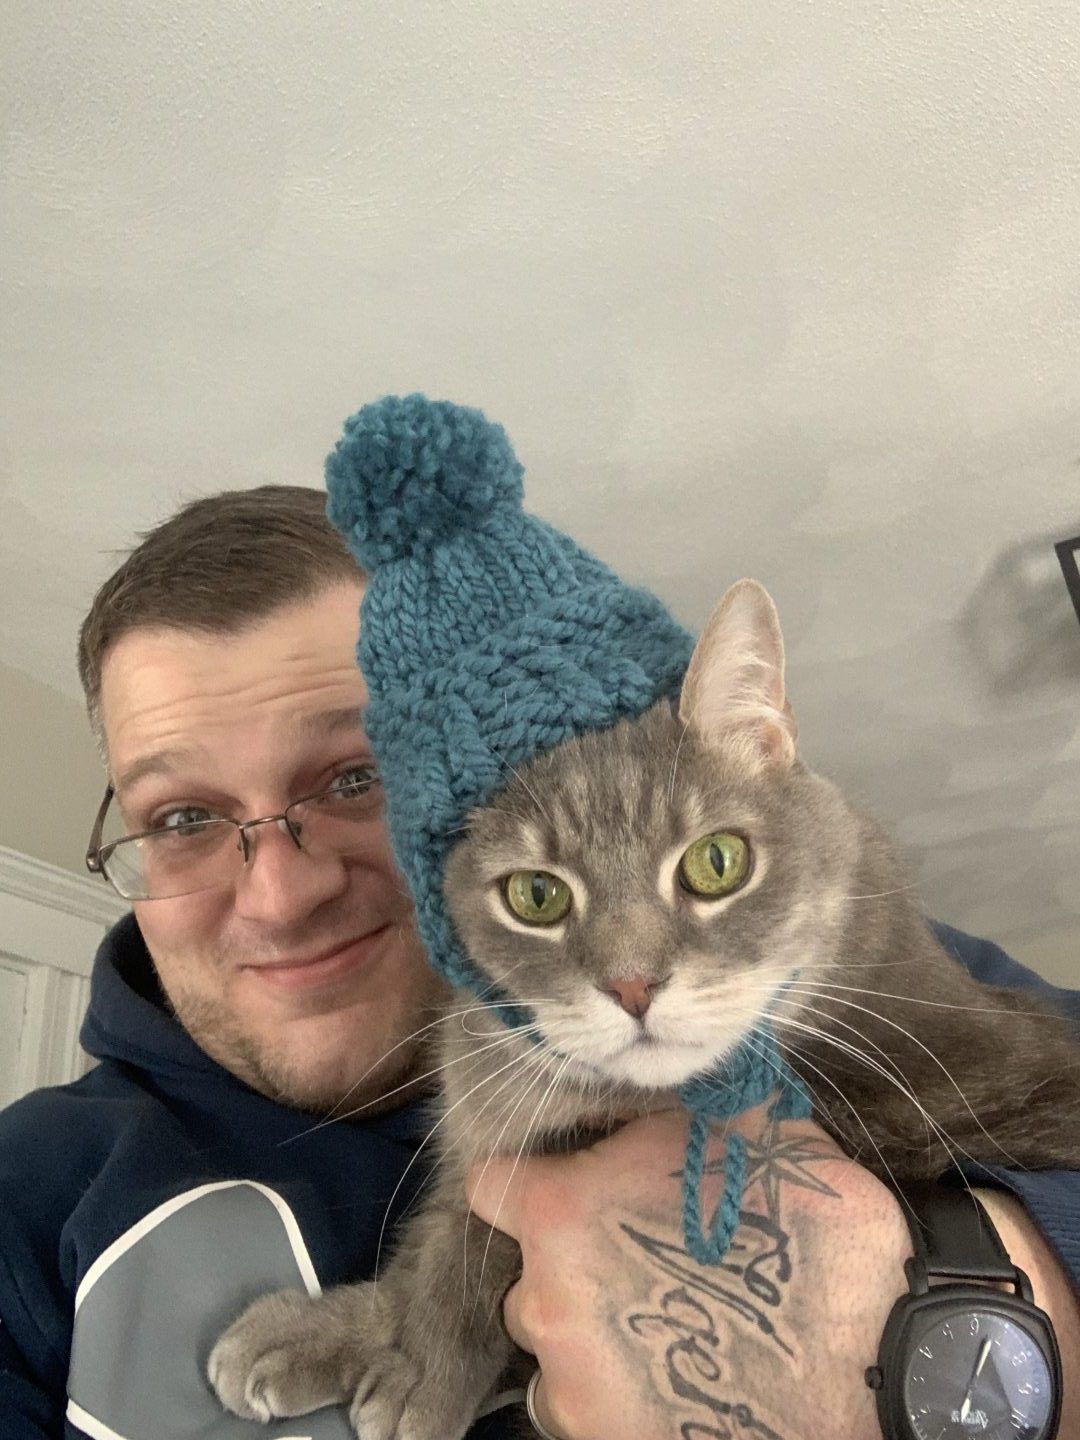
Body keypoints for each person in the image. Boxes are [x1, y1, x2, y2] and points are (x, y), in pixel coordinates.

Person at [0, 484, 1076, 1440]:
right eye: (182, 815)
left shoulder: (844, 970)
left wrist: (993, 1296)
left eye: (353, 779)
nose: (280, 895)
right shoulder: (31, 1190)